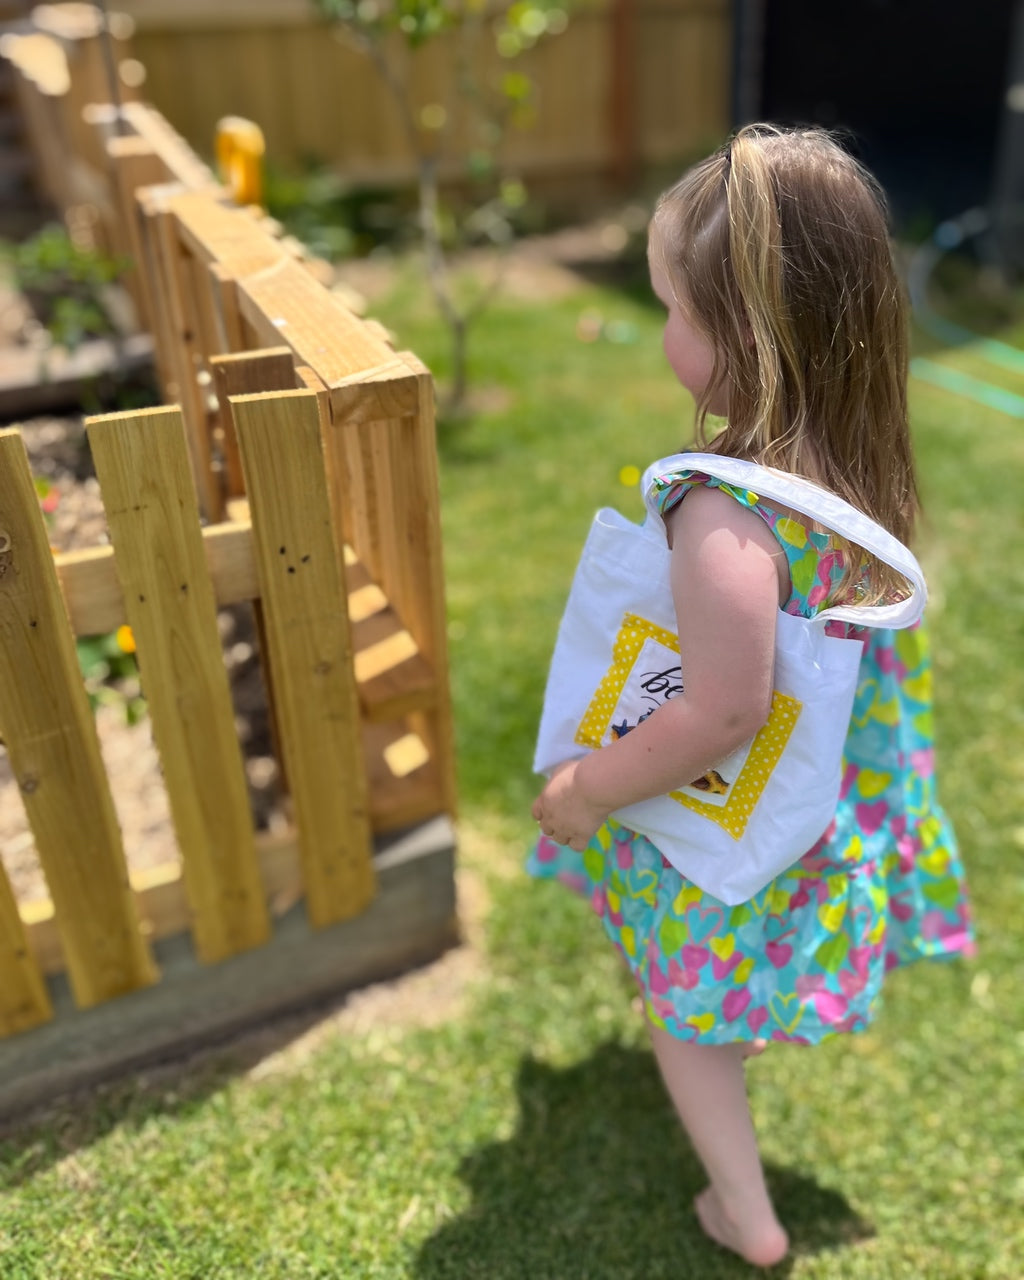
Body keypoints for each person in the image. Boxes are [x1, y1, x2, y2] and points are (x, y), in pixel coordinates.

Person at [528, 124, 974, 1268]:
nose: (663, 329)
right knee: (732, 969)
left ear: (750, 337)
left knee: (690, 1021)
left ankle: (744, 1208)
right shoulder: (856, 461)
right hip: (809, 814)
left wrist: (586, 786)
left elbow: (722, 711)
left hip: (715, 812)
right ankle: (743, 1018)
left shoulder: (721, 513)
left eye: (675, 308)